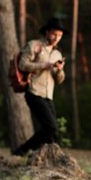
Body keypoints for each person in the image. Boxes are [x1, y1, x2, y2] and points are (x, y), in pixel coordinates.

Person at [12, 17, 67, 156]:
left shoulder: (57, 54)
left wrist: (59, 70)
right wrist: (44, 65)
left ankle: (51, 160)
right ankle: (22, 151)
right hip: (34, 92)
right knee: (51, 127)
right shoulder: (34, 45)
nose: (56, 38)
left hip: (48, 96)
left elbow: (60, 80)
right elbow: (22, 65)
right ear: (47, 32)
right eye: (54, 34)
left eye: (59, 36)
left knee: (52, 135)